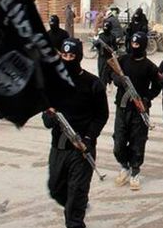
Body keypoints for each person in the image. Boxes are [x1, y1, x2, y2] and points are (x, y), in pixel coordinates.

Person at [42, 38, 109, 228]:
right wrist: (49, 116)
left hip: (82, 150)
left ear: (78, 57)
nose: (67, 59)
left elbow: (101, 116)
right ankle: (75, 205)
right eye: (64, 55)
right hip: (59, 147)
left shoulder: (92, 84)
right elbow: (46, 116)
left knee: (75, 204)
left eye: (72, 56)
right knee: (55, 189)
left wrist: (89, 137)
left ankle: (76, 211)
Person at [112, 32, 161, 191]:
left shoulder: (150, 66)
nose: (134, 47)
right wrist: (117, 79)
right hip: (122, 107)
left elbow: (157, 86)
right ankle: (124, 166)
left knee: (137, 142)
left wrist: (146, 98)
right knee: (119, 141)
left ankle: (135, 171)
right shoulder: (123, 60)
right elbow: (112, 71)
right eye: (132, 44)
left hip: (139, 111)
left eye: (137, 45)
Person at [95, 21, 117, 87]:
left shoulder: (111, 36)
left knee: (104, 73)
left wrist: (110, 48)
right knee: (102, 72)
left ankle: (104, 85)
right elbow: (96, 44)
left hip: (106, 57)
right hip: (103, 57)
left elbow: (115, 47)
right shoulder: (102, 36)